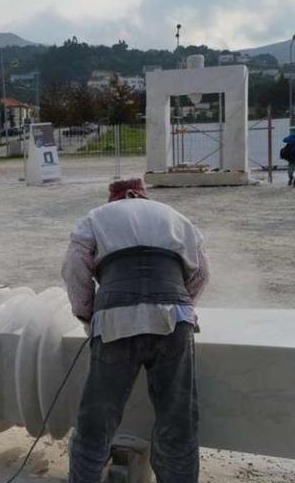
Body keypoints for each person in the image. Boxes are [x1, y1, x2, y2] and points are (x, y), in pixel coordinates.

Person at [62, 178, 209, 483]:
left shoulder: (96, 217)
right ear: (142, 196)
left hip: (116, 321)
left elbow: (75, 269)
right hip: (174, 320)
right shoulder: (175, 217)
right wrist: (181, 307)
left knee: (96, 422)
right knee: (177, 421)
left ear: (114, 199)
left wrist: (88, 315)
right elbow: (201, 273)